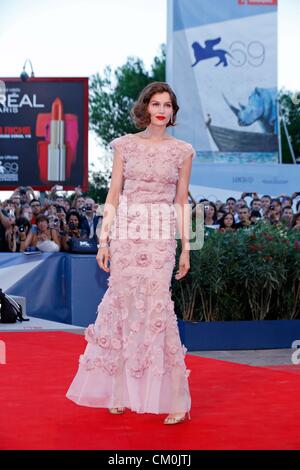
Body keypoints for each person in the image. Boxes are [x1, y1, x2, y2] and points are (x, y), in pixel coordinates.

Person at [66, 82, 194, 425]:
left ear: (173, 111)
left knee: (156, 306)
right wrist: (104, 240)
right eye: (156, 103)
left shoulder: (183, 151)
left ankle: (176, 400)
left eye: (168, 104)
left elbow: (182, 202)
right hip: (127, 229)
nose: (162, 110)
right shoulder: (124, 146)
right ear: (146, 108)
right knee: (122, 306)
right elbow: (112, 195)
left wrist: (187, 248)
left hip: (161, 233)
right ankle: (118, 391)